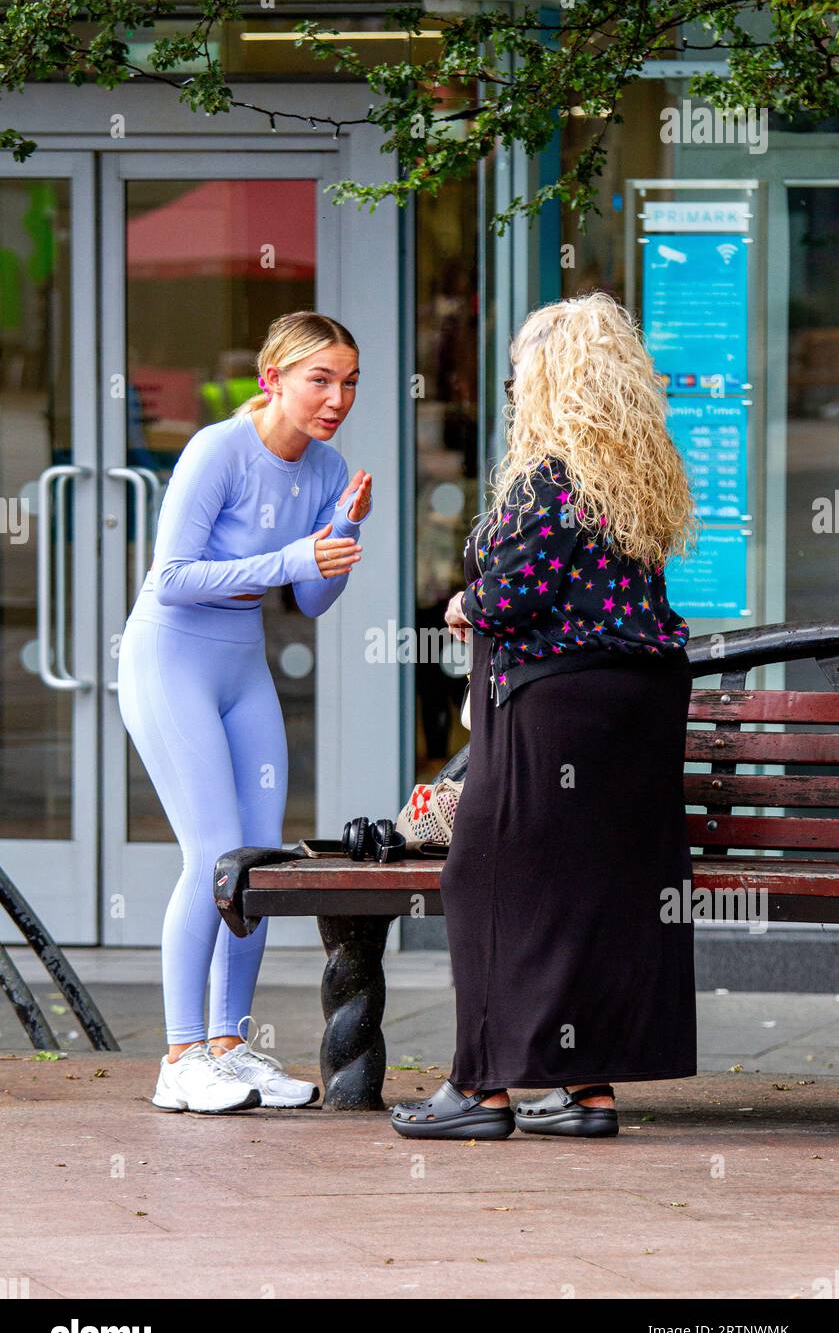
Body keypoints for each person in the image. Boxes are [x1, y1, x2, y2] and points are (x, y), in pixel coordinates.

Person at [391, 291, 699, 1142]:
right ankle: (584, 1088)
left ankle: (478, 1091)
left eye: (524, 369)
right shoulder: (639, 468)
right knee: (588, 892)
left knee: (484, 880)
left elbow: (516, 597)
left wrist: (462, 601)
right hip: (636, 704)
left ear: (553, 378)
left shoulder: (547, 475)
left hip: (554, 704)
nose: (514, 384)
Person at [117, 311, 372, 1114]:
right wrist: (297, 553)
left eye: (350, 382)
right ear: (272, 379)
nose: (337, 398)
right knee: (210, 855)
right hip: (170, 658)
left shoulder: (328, 468)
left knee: (252, 866)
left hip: (240, 665)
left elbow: (312, 599)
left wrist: (341, 532)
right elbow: (173, 577)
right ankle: (179, 1054)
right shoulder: (217, 451)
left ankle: (229, 1047)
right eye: (320, 380)